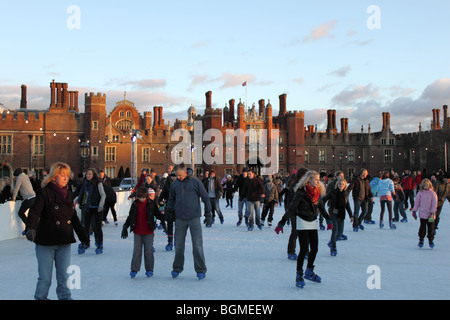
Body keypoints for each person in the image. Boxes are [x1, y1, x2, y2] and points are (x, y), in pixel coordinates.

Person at [25, 162, 89, 300]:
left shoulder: (68, 194)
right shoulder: (44, 192)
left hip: (64, 240)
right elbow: (34, 212)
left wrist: (83, 236)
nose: (65, 178)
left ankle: (65, 297)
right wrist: (30, 228)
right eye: (62, 175)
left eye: (67, 175)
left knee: (64, 275)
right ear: (54, 177)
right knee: (45, 277)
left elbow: (73, 217)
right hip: (46, 241)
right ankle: (40, 298)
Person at [284, 170, 332, 288]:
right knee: (304, 248)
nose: (317, 181)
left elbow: (321, 207)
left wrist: (328, 219)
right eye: (315, 179)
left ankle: (309, 271)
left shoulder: (317, 192)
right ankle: (299, 274)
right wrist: (282, 222)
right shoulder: (300, 193)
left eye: (318, 179)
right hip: (301, 220)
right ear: (308, 180)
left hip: (312, 221)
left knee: (314, 248)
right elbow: (291, 207)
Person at [165, 164, 212, 280]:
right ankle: (177, 268)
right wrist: (169, 211)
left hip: (194, 218)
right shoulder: (175, 184)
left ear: (185, 172)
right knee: (179, 246)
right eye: (176, 176)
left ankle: (200, 269)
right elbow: (171, 199)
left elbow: (205, 197)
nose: (178, 178)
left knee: (197, 245)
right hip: (180, 218)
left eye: (179, 175)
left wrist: (208, 213)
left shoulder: (196, 182)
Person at [121, 187, 163, 278]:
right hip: (137, 231)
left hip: (148, 231)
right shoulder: (135, 204)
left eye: (143, 197)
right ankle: (134, 269)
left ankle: (149, 269)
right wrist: (125, 226)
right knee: (137, 251)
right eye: (139, 197)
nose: (141, 199)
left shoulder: (151, 204)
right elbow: (130, 216)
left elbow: (158, 214)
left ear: (146, 196)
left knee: (148, 251)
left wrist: (165, 218)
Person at [275, 167, 308, 260]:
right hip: (295, 212)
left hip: (305, 213)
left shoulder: (308, 186)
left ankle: (306, 251)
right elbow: (291, 201)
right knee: (295, 232)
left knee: (306, 233)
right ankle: (291, 251)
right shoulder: (294, 186)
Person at [75, 168, 106, 254]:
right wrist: (77, 201)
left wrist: (100, 205)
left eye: (89, 174)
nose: (88, 176)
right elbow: (80, 194)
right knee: (85, 226)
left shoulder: (98, 183)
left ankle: (99, 243)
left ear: (93, 175)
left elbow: (103, 194)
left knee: (97, 227)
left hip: (97, 208)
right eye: (87, 174)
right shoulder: (85, 184)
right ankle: (85, 242)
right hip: (88, 207)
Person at [323, 178, 353, 256]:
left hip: (341, 214)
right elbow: (324, 199)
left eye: (343, 184)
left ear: (345, 185)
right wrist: (321, 208)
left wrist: (351, 215)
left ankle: (332, 242)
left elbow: (347, 205)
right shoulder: (332, 192)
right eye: (339, 184)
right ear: (337, 184)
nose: (341, 185)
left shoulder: (345, 194)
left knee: (340, 232)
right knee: (335, 231)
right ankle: (333, 247)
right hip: (333, 214)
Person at [412, 179, 438, 248]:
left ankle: (431, 240)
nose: (426, 186)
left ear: (429, 185)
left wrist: (432, 212)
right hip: (423, 214)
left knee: (431, 228)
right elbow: (417, 203)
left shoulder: (432, 193)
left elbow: (434, 204)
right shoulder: (420, 193)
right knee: (422, 228)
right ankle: (421, 239)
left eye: (427, 185)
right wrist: (414, 210)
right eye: (424, 185)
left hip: (431, 215)